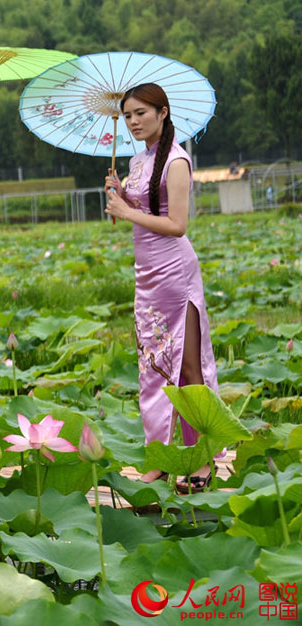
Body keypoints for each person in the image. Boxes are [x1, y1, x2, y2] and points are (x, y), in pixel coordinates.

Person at [104, 83, 218, 492]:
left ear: (163, 112)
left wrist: (125, 211)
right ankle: (159, 457)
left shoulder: (177, 160)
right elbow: (147, 211)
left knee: (187, 368)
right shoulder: (140, 160)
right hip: (146, 275)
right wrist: (122, 197)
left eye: (141, 113)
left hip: (175, 273)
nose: (134, 122)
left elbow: (177, 225)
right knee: (152, 368)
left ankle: (202, 460)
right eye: (129, 115)